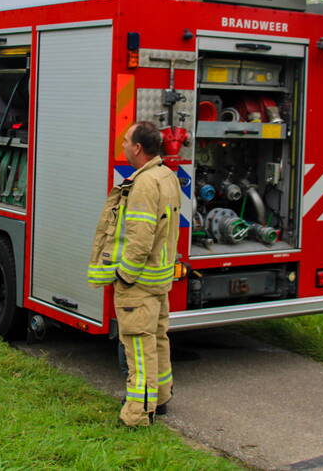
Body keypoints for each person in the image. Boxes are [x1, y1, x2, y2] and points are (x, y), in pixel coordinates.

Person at [88, 120, 181, 427]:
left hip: (139, 282)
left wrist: (125, 275)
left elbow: (140, 239)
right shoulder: (167, 176)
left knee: (138, 347)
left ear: (138, 148)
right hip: (159, 278)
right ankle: (160, 398)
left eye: (127, 141)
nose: (123, 145)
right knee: (157, 340)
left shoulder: (143, 184)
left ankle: (138, 413)